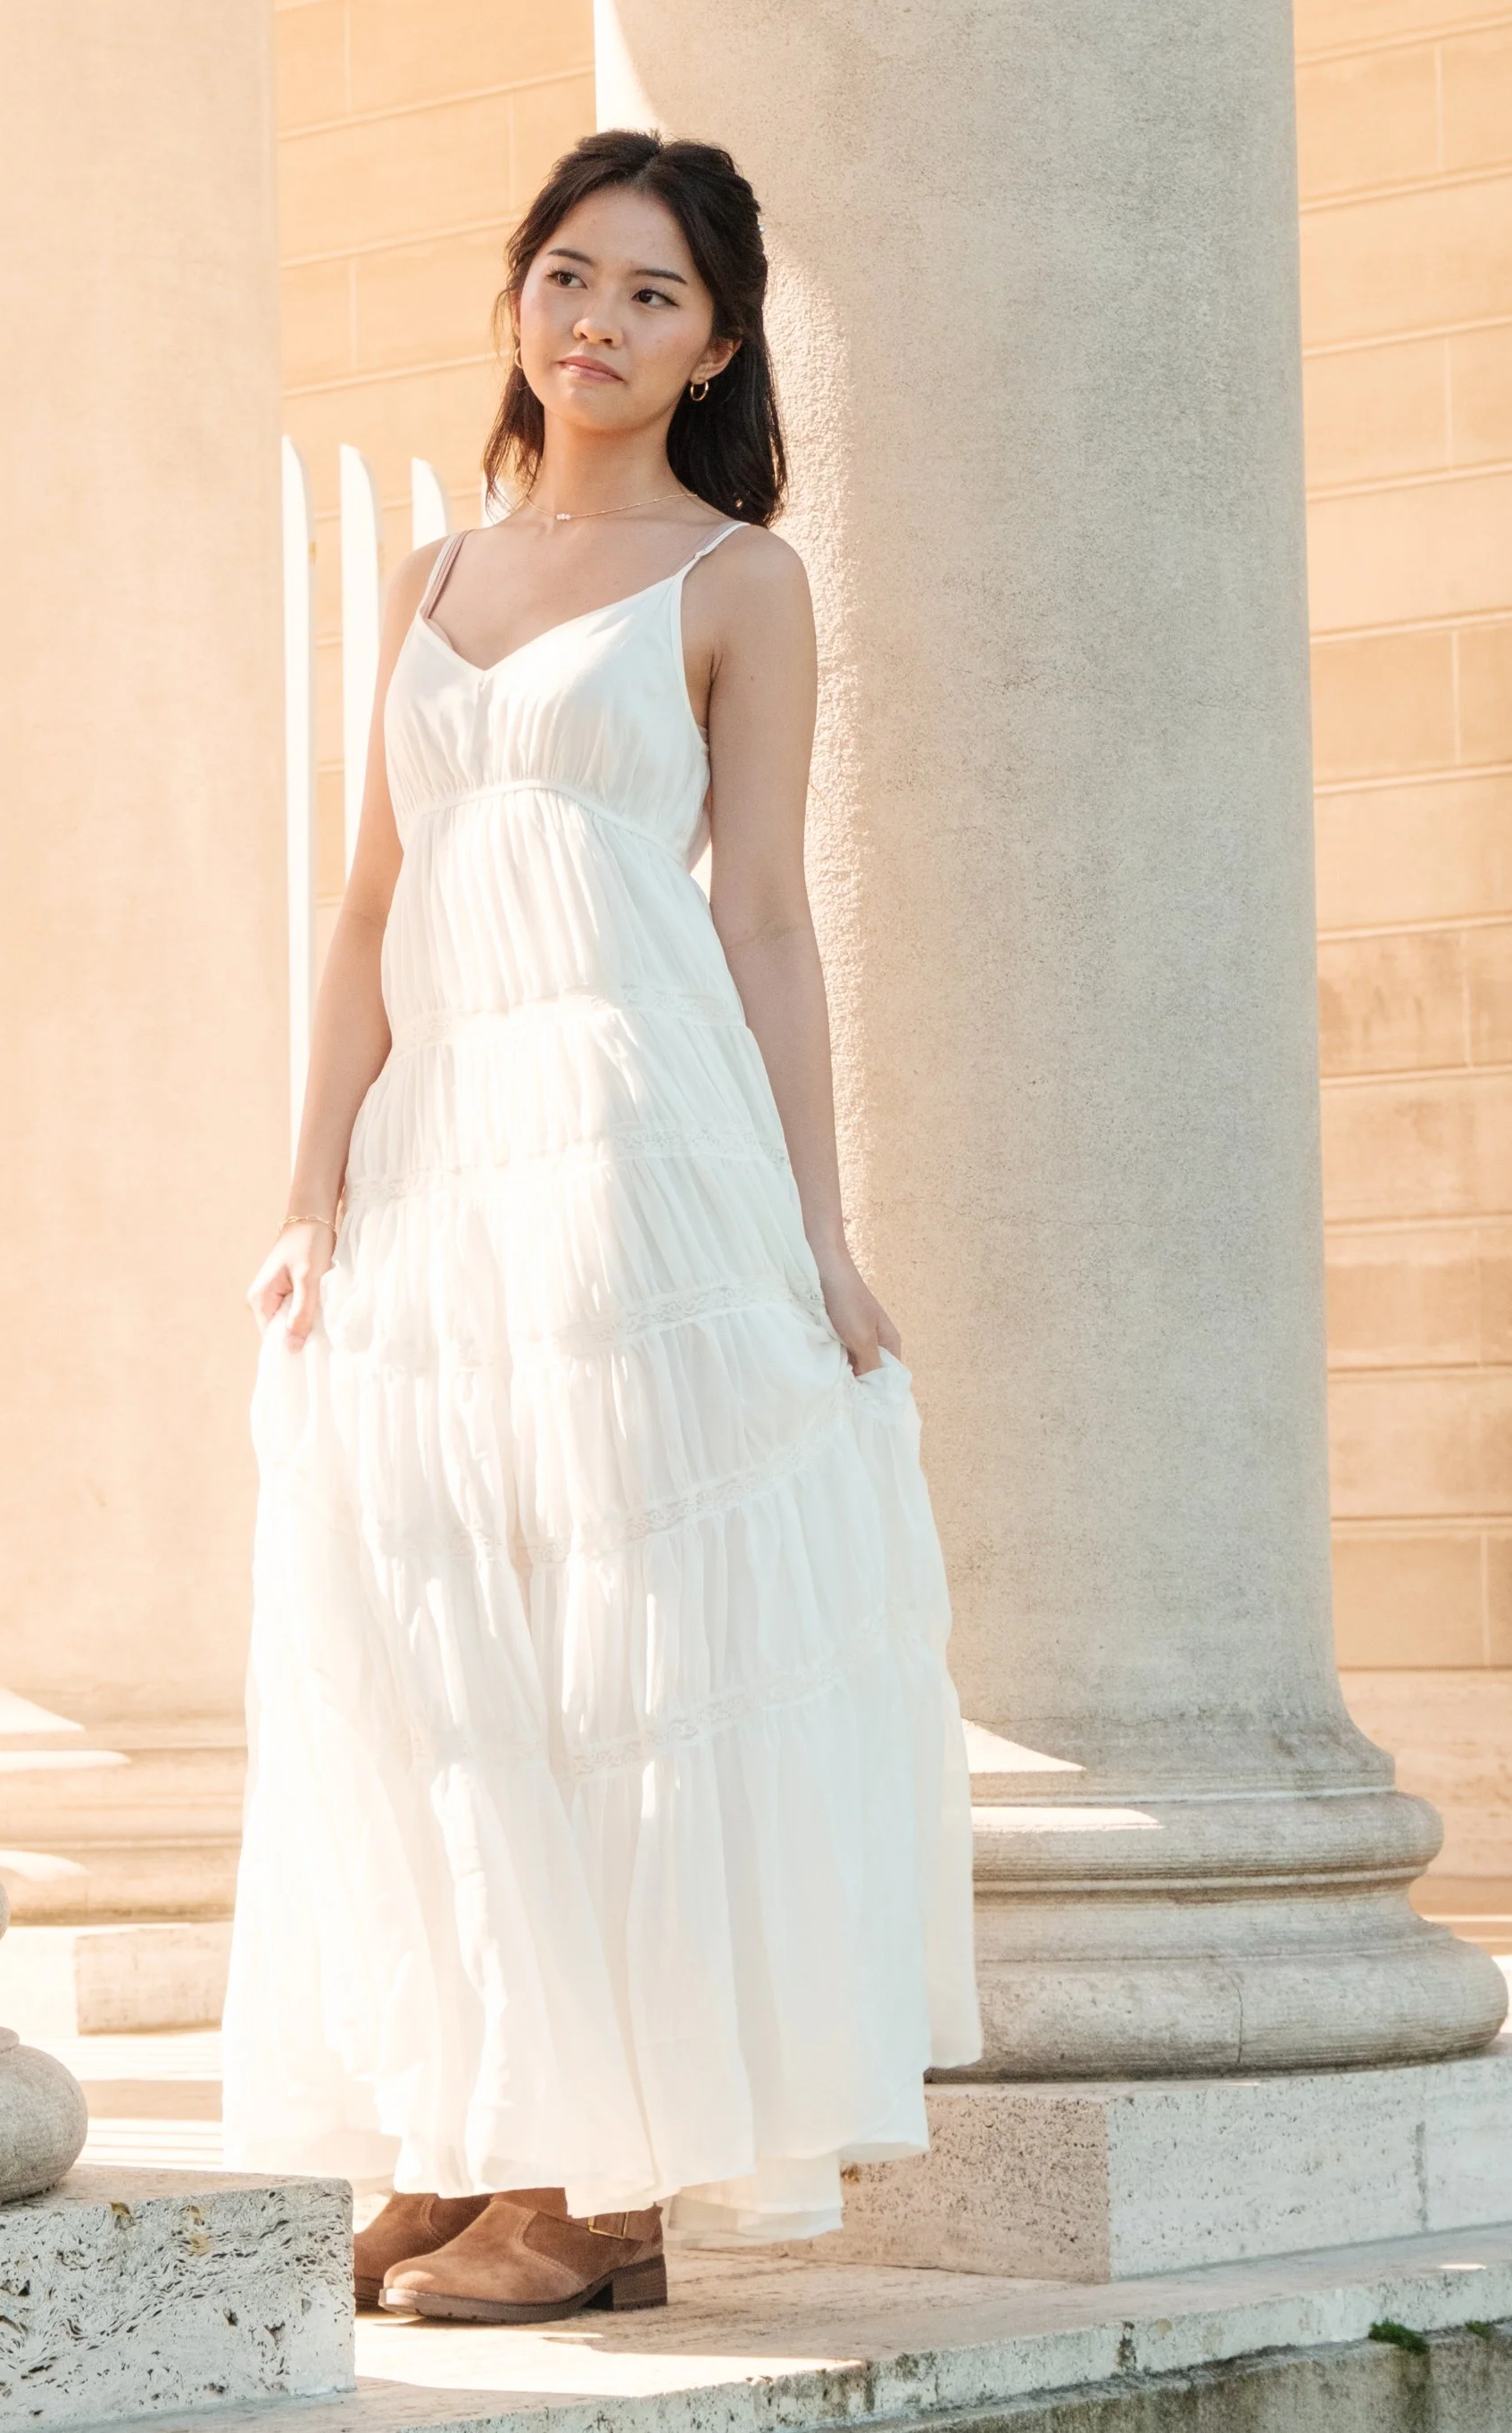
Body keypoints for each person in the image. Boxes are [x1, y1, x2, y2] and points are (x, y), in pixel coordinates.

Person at [220, 129, 978, 2325]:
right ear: (517, 301)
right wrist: (307, 1183)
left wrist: (816, 1227)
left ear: (716, 340)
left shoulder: (738, 580)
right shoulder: (430, 579)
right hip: (439, 1151)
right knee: (444, 1628)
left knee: (635, 1641)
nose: (598, 322)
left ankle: (607, 2188)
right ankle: (475, 2128)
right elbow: (368, 902)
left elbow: (759, 917)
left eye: (651, 293)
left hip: (632, 1140)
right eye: (569, 275)